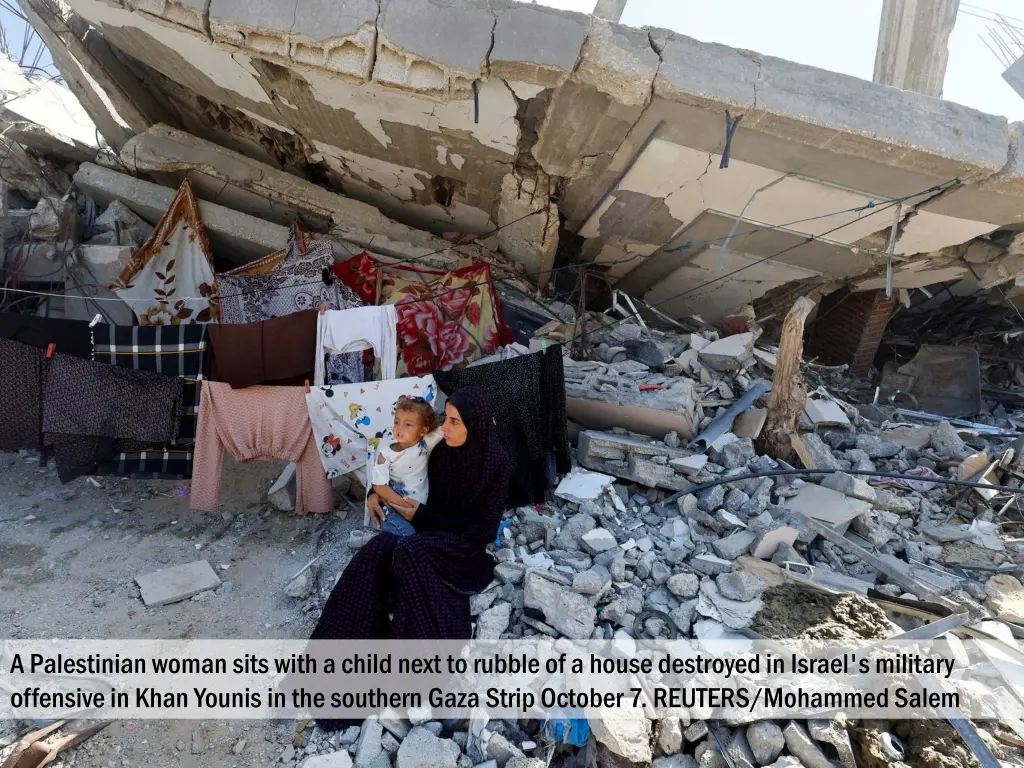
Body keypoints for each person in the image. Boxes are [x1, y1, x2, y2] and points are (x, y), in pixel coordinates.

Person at [370, 396, 444, 537]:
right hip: (393, 508)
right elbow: (379, 487)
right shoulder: (386, 455)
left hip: (418, 509)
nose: (399, 428)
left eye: (408, 424)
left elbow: (445, 428)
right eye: (396, 422)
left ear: (422, 431)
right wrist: (406, 507)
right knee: (407, 537)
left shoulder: (425, 443)